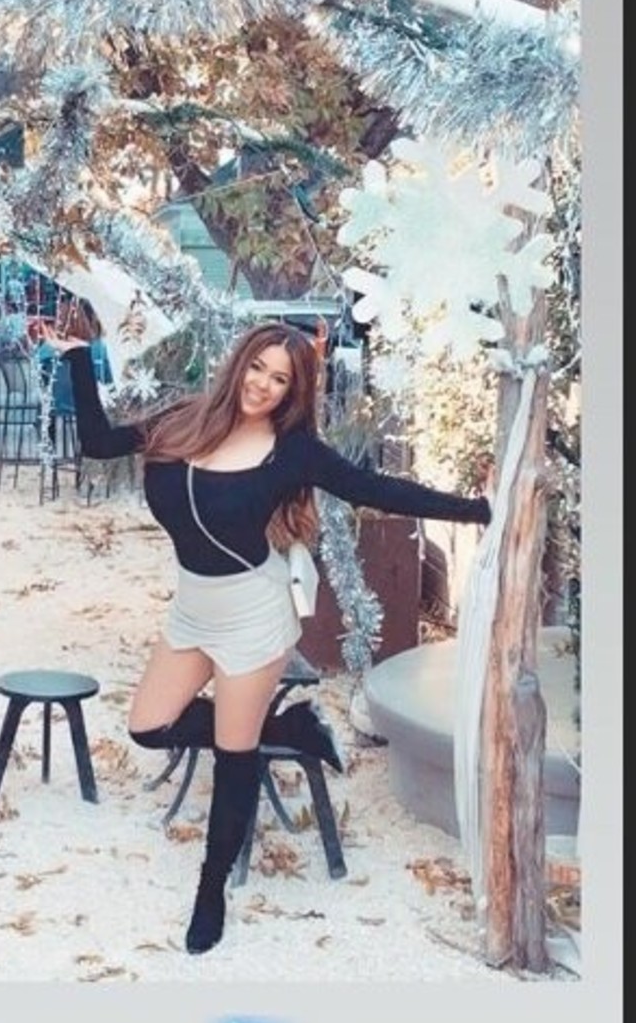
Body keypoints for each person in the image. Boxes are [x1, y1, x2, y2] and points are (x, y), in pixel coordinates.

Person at [37, 318, 491, 957]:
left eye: (280, 379)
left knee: (233, 757)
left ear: (293, 391)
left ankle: (211, 890)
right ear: (239, 363)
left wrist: (476, 509)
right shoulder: (181, 421)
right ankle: (292, 728)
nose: (263, 385)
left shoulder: (291, 451)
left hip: (254, 614)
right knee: (148, 726)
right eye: (257, 368)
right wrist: (80, 357)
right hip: (193, 611)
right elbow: (96, 441)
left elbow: (374, 488)